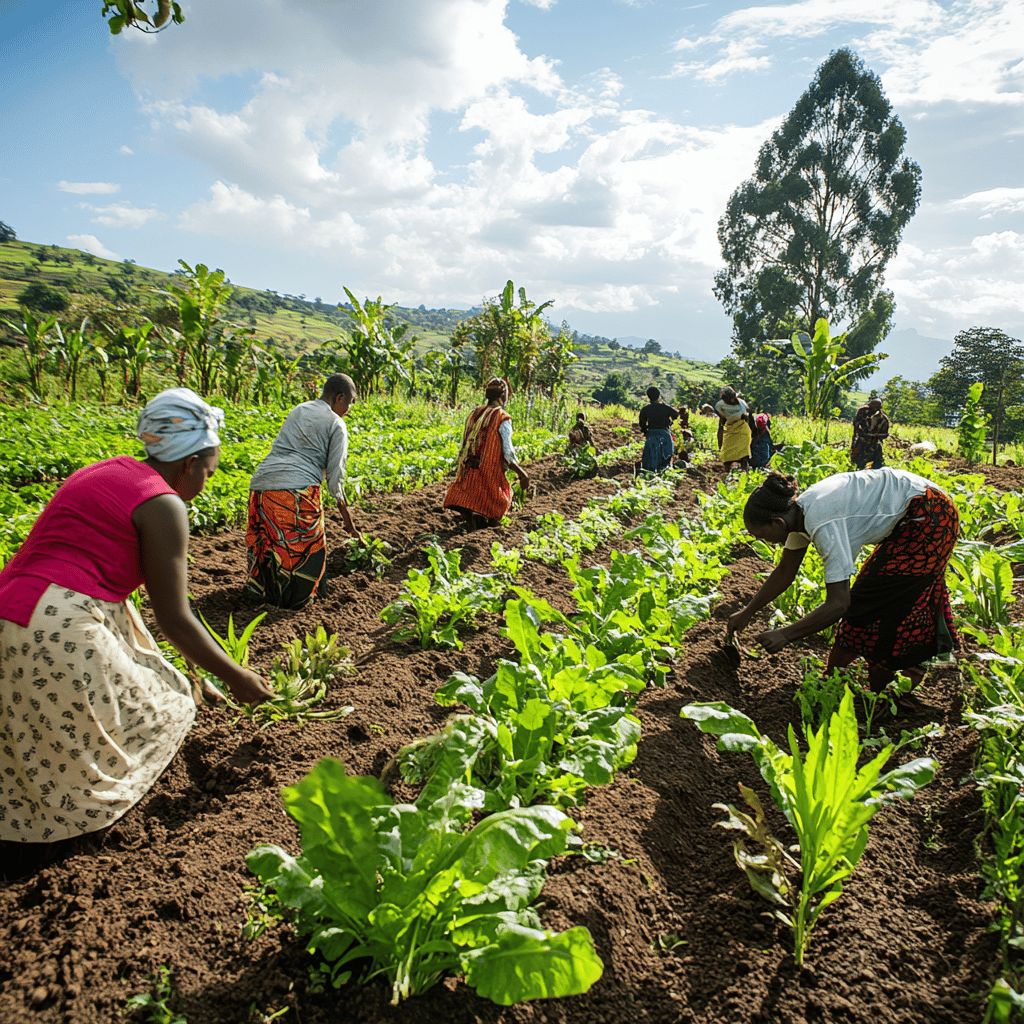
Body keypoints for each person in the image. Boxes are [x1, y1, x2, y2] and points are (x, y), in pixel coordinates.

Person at [0, 388, 273, 854]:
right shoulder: (165, 505)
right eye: (209, 471)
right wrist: (238, 677)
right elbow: (175, 618)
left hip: (13, 608)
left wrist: (184, 668)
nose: (207, 481)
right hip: (61, 624)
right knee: (160, 714)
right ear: (188, 463)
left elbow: (118, 599)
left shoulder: (106, 471)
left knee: (27, 738)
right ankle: (83, 841)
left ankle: (22, 833)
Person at [726, 468, 959, 693]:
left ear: (777, 523)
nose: (764, 541)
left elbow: (838, 604)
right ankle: (835, 680)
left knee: (881, 604)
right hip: (917, 511)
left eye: (762, 535)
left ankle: (893, 684)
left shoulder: (821, 521)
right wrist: (747, 611)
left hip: (930, 515)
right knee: (871, 600)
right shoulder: (799, 514)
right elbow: (786, 571)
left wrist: (785, 635)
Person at [247, 374, 359, 609]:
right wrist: (349, 523)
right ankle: (299, 602)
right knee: (310, 549)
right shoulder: (336, 423)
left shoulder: (300, 409)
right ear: (339, 398)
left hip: (261, 486)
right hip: (294, 491)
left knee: (268, 545)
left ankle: (265, 597)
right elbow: (335, 480)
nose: (349, 409)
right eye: (350, 402)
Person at [444, 377, 530, 527]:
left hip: (468, 469)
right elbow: (508, 452)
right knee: (498, 502)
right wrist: (522, 474)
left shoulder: (475, 413)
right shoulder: (501, 417)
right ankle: (488, 523)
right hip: (488, 471)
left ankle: (472, 523)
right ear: (503, 396)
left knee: (467, 498)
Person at [638, 386, 678, 473]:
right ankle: (664, 470)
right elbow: (676, 414)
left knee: (649, 457)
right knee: (667, 454)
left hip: (652, 434)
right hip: (664, 433)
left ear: (648, 397)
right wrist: (670, 422)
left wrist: (646, 432)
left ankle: (648, 473)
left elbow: (642, 424)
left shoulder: (645, 409)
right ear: (659, 396)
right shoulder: (665, 407)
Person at [715, 386, 751, 471]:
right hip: (730, 430)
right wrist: (720, 444)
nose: (731, 400)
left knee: (744, 456)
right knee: (727, 456)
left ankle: (744, 476)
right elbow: (721, 423)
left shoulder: (742, 404)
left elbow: (747, 418)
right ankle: (727, 475)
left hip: (742, 430)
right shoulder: (721, 406)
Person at [851, 399, 890, 470]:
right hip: (862, 441)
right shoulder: (862, 412)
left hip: (875, 443)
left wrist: (874, 435)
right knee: (856, 462)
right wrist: (854, 443)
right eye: (871, 407)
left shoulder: (883, 419)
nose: (872, 409)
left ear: (879, 408)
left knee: (877, 465)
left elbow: (885, 435)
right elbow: (856, 426)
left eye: (875, 408)